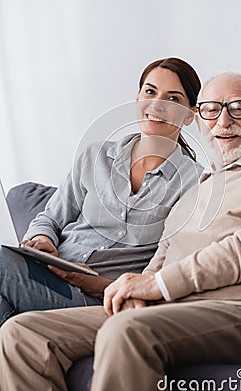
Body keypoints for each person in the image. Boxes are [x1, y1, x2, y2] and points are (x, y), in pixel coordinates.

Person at [1, 71, 241, 391]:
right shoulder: (198, 191)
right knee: (22, 333)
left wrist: (156, 286)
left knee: (125, 331)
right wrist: (139, 291)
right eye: (211, 110)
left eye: (239, 108)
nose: (223, 120)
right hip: (174, 311)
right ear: (200, 121)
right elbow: (160, 259)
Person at [0, 57, 203, 326]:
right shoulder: (95, 156)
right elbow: (49, 218)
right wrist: (42, 240)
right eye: (150, 92)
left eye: (173, 99)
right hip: (46, 275)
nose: (157, 105)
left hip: (100, 299)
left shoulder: (196, 183)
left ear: (190, 114)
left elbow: (168, 272)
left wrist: (94, 283)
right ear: (138, 98)